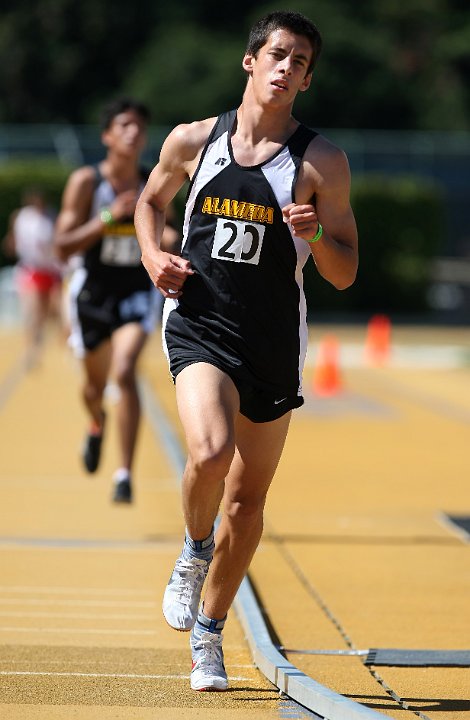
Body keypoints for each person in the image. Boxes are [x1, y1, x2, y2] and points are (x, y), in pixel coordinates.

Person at [134, 11, 358, 691]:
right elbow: (148, 203)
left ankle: (210, 632)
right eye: (278, 55)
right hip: (199, 321)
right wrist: (152, 256)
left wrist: (317, 236)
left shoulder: (321, 162)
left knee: (247, 501)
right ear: (250, 62)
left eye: (300, 63)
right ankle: (193, 550)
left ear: (307, 80)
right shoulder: (195, 140)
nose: (287, 68)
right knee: (208, 453)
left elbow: (345, 269)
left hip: (272, 341)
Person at [55, 98, 179, 504]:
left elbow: (173, 234)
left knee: (124, 372)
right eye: (124, 125)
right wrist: (109, 218)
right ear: (107, 135)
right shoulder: (87, 183)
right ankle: (96, 422)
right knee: (93, 387)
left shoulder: (154, 181)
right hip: (93, 291)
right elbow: (61, 246)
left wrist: (159, 238)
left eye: (140, 127)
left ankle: (124, 474)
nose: (133, 132)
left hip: (135, 290)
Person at [3, 187, 63, 368]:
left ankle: (43, 342)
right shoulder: (20, 217)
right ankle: (31, 350)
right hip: (30, 270)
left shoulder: (51, 217)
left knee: (49, 313)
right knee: (32, 311)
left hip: (51, 270)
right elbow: (11, 240)